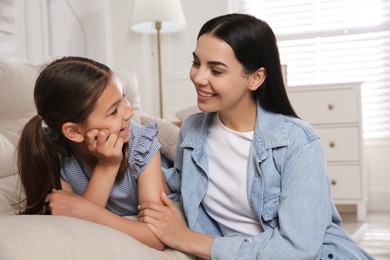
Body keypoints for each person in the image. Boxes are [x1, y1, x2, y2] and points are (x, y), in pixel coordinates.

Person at [137, 13, 374, 259]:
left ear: (255, 78)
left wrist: (191, 241)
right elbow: (177, 185)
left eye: (216, 70)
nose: (198, 77)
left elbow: (298, 249)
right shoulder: (193, 130)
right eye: (196, 63)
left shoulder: (298, 143)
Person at [18, 56, 166, 250]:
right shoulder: (55, 153)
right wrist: (107, 166)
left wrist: (92, 212)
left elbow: (157, 237)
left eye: (124, 98)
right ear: (74, 132)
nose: (129, 112)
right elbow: (78, 225)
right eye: (113, 111)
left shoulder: (141, 144)